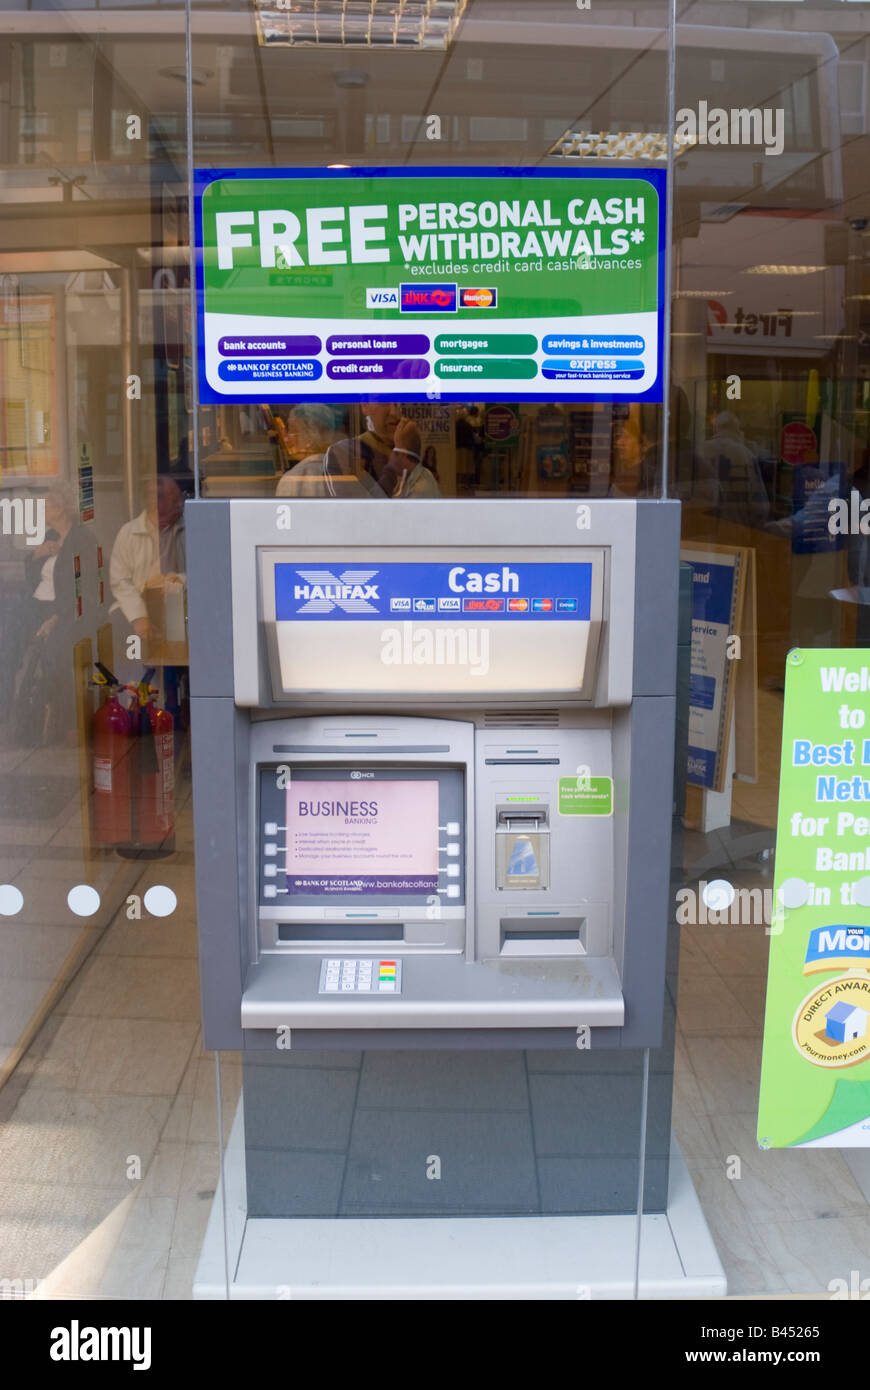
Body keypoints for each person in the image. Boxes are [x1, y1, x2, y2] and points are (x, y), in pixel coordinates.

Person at [4, 480, 97, 740]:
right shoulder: (50, 537)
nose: (43, 509)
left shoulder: (82, 540)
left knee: (56, 651)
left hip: (66, 612)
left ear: (62, 508)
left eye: (47, 505)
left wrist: (55, 619)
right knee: (8, 641)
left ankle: (63, 722)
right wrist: (37, 554)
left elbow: (85, 588)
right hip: (38, 607)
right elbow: (35, 579)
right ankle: (13, 714)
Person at [109, 474, 185, 648]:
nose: (180, 504)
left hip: (175, 602)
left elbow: (205, 570)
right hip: (137, 602)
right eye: (174, 500)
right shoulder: (128, 533)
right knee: (121, 628)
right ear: (155, 504)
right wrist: (139, 616)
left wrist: (181, 579)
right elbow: (120, 581)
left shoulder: (186, 528)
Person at [701, 410, 770, 527]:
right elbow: (761, 507)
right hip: (738, 528)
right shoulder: (748, 456)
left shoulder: (702, 450)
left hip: (705, 527)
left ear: (715, 429)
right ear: (737, 430)